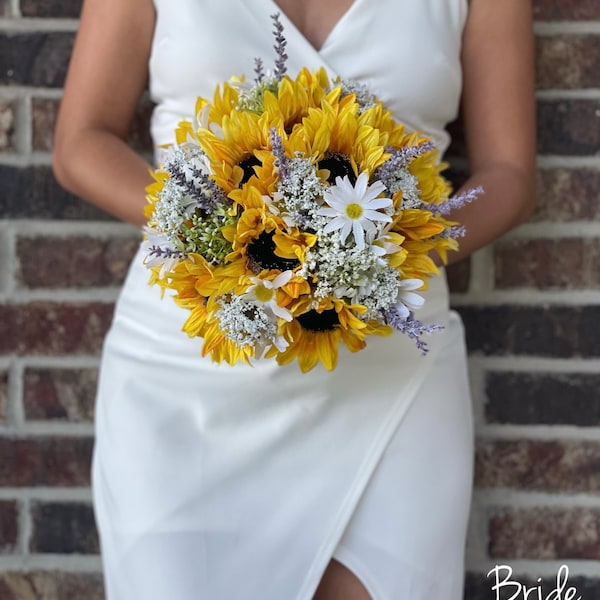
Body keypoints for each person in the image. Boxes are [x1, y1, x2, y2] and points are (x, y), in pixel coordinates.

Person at [53, 0, 536, 598]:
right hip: (184, 382)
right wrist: (225, 233)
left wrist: (387, 252)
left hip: (388, 377)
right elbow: (80, 142)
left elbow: (510, 172)